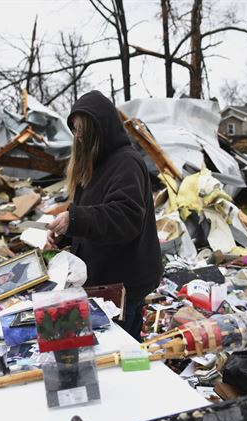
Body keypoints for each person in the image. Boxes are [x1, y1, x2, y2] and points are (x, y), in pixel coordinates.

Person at [46, 90, 162, 342]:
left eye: (82, 130)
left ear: (100, 129)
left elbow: (125, 217)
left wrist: (73, 220)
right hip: (102, 281)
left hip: (124, 285)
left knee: (123, 355)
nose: (77, 137)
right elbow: (94, 218)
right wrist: (66, 235)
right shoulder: (94, 165)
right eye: (74, 130)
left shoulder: (126, 163)